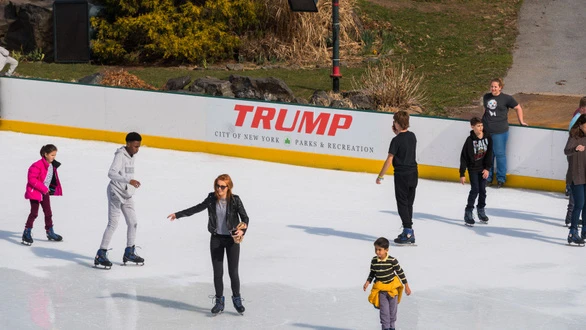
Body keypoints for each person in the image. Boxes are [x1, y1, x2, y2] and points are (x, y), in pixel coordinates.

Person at [167, 174, 249, 315]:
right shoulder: (211, 198)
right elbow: (197, 208)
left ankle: (237, 299)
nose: (219, 189)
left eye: (222, 186)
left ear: (228, 187)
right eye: (217, 185)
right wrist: (178, 214)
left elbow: (245, 218)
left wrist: (242, 231)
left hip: (231, 240)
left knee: (233, 272)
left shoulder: (235, 200)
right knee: (218, 273)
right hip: (216, 239)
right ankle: (219, 301)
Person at [94, 132, 144, 269]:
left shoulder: (132, 155)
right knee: (113, 223)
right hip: (115, 192)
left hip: (127, 194)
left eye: (139, 147)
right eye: (135, 146)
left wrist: (130, 185)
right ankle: (101, 254)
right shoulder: (120, 155)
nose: (137, 149)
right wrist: (129, 180)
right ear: (128, 144)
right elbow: (111, 173)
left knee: (133, 223)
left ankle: (129, 252)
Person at [376, 110, 418, 245]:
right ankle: (408, 230)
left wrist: (380, 176)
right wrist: (399, 134)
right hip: (413, 173)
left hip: (402, 175)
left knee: (402, 203)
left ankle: (408, 232)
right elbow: (405, 144)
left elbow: (389, 159)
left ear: (398, 123)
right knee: (409, 203)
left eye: (394, 121)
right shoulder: (412, 136)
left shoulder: (395, 140)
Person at [482, 78, 528, 188]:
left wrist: (521, 121)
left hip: (500, 132)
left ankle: (500, 179)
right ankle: (488, 178)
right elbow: (485, 111)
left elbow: (518, 108)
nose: (493, 88)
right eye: (492, 86)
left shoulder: (506, 98)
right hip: (487, 132)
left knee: (500, 155)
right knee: (488, 156)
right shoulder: (486, 97)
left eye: (495, 86)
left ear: (500, 87)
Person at [363, 237, 411, 330]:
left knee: (392, 313)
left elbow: (400, 273)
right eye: (376, 249)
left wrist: (406, 286)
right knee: (384, 313)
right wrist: (367, 282)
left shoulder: (392, 260)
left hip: (393, 291)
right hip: (382, 291)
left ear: (386, 250)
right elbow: (372, 273)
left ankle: (392, 328)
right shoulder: (374, 261)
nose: (377, 252)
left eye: (380, 250)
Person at [22, 144, 63, 245]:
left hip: (45, 193)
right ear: (45, 154)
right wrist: (44, 188)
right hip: (35, 192)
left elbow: (52, 178)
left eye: (55, 155)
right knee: (34, 213)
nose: (54, 157)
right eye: (52, 155)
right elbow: (32, 179)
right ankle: (27, 232)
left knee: (48, 213)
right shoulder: (37, 165)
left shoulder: (51, 165)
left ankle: (50, 231)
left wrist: (51, 188)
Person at [459, 117, 493, 226]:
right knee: (475, 190)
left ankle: (481, 209)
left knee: (483, 190)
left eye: (481, 125)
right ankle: (468, 211)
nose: (480, 128)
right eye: (478, 126)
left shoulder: (488, 138)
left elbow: (489, 154)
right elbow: (463, 157)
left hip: (483, 169)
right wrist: (462, 173)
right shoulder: (469, 141)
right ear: (472, 127)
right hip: (473, 169)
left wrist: (487, 168)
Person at [564, 115, 586, 246]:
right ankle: (572, 232)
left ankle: (584, 230)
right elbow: (566, 151)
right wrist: (575, 148)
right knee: (579, 204)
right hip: (576, 175)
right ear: (581, 125)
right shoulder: (574, 137)